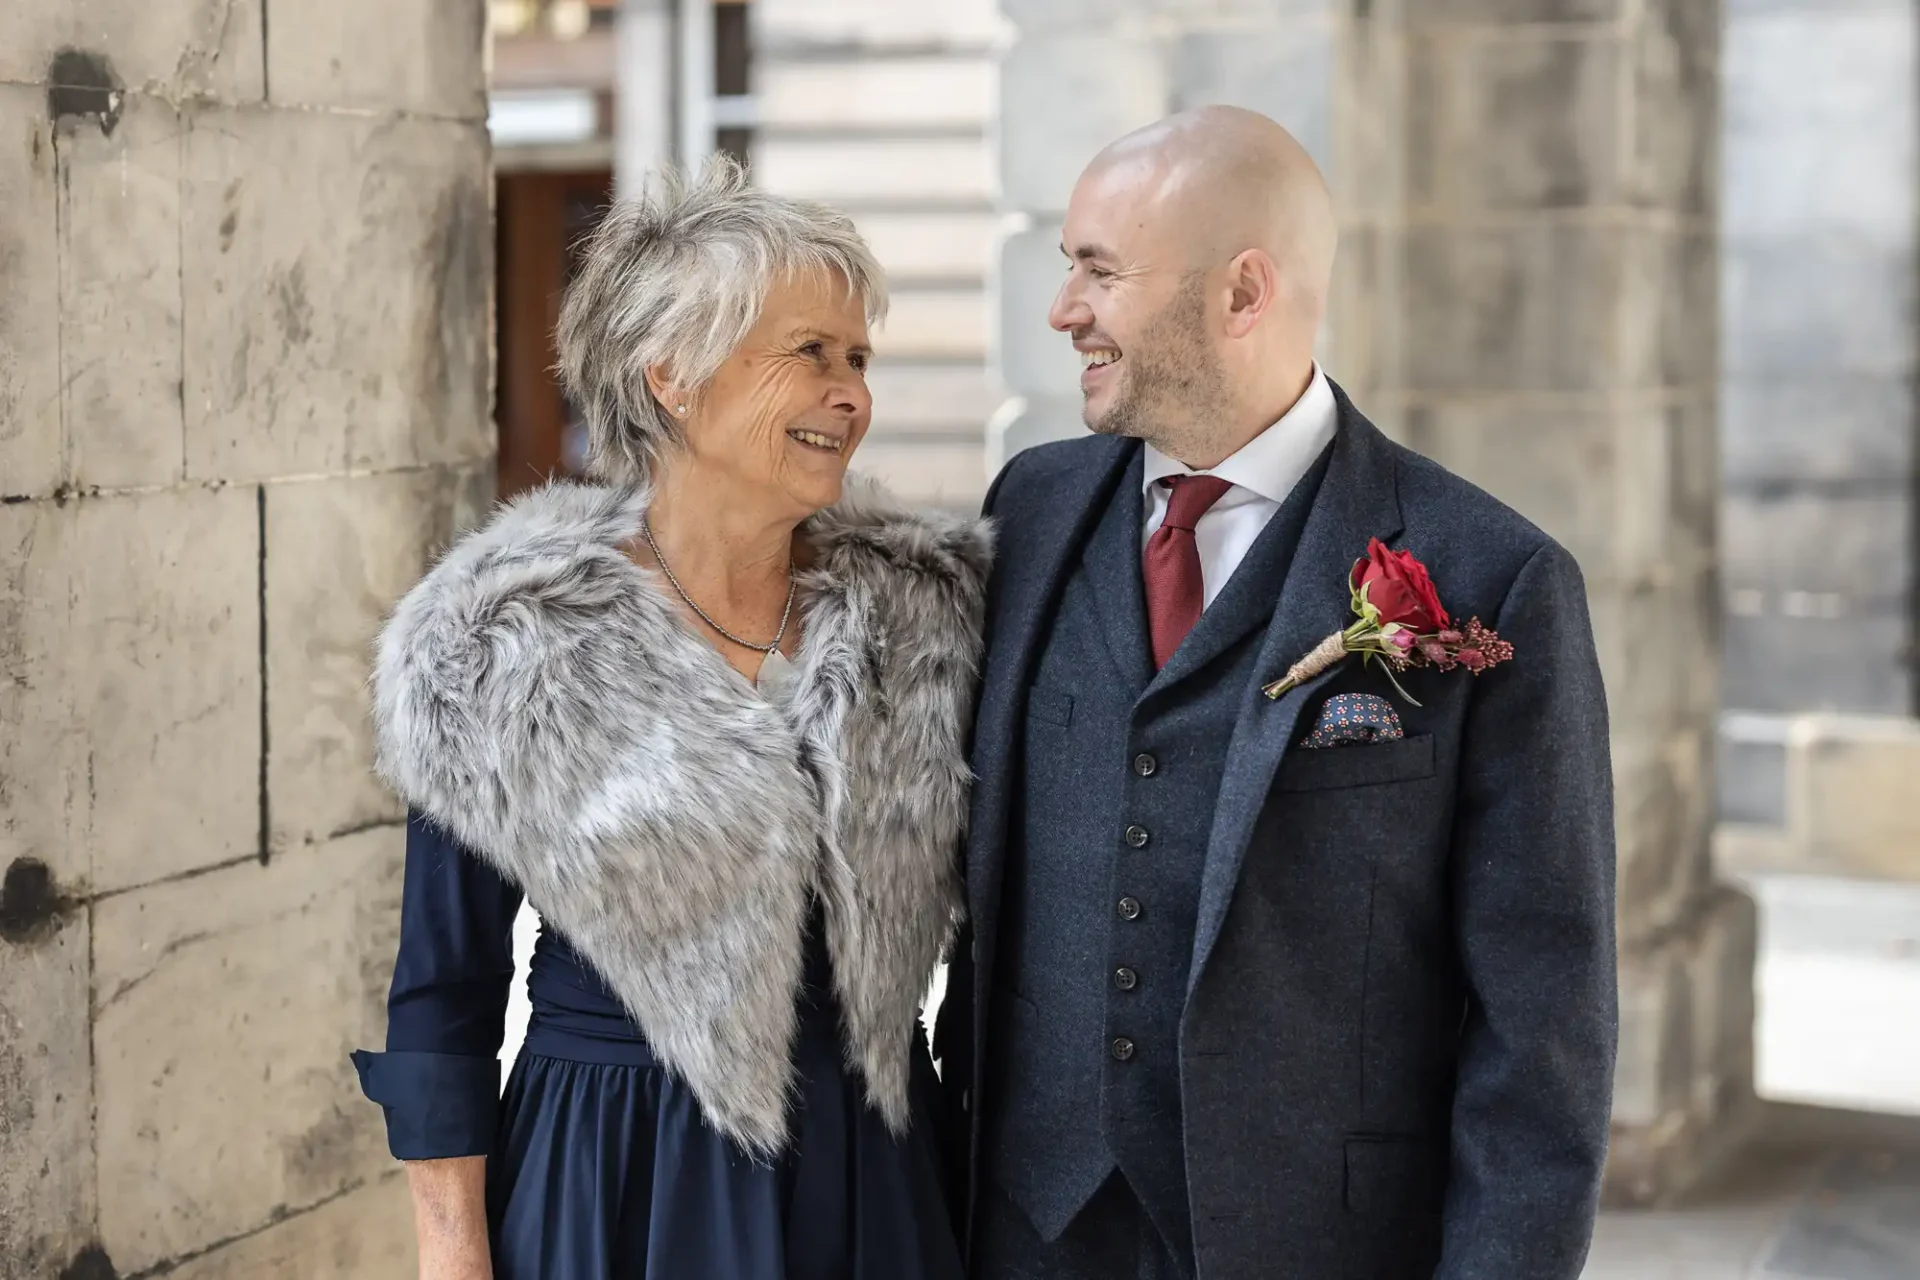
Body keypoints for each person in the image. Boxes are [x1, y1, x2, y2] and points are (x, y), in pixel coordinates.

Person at [934, 106, 1617, 1280]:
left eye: (1099, 272)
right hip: (1020, 1228)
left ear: (1241, 293)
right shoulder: (1031, 510)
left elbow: (1543, 1021)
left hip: (1318, 1242)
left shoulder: (1491, 577)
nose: (1064, 312)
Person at [351, 158, 986, 1280]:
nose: (851, 393)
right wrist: (453, 1254)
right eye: (810, 352)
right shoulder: (500, 639)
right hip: (613, 1173)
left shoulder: (925, 617)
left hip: (877, 1169)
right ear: (674, 376)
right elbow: (444, 989)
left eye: (859, 358)